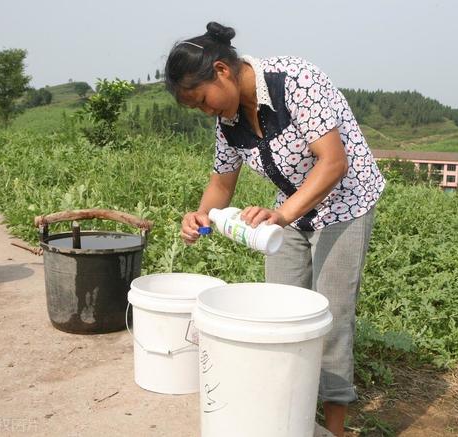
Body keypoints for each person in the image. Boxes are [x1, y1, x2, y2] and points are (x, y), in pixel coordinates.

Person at [166, 21, 385, 436]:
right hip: (291, 209)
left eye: (202, 101)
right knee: (281, 311)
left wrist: (283, 216)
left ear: (222, 70)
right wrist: (200, 216)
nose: (205, 111)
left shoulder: (296, 80)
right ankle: (289, 413)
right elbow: (221, 183)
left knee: (331, 315)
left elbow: (333, 163)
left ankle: (334, 425)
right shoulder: (229, 121)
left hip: (346, 204)